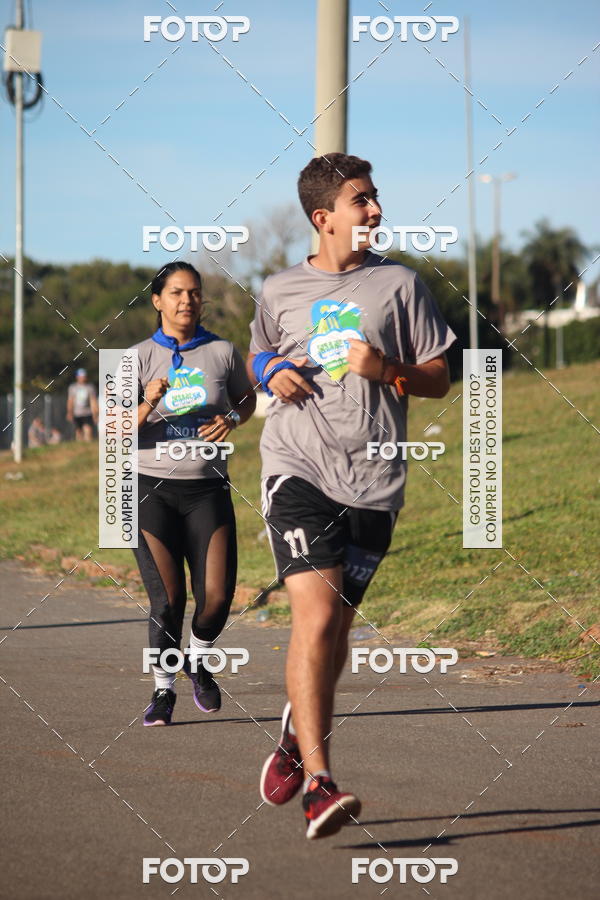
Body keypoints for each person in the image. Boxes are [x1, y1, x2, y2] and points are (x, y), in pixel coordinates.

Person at [247, 153, 456, 839]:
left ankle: (294, 731)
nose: (375, 211)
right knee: (313, 617)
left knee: (335, 627)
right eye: (361, 200)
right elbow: (258, 354)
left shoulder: (399, 285)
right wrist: (271, 368)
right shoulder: (279, 289)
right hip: (296, 470)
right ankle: (319, 784)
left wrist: (386, 368)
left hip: (374, 481)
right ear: (323, 217)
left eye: (374, 198)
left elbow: (438, 378)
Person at [132, 261, 255, 726]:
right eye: (178, 293)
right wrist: (148, 401)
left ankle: (198, 658)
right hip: (150, 490)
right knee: (168, 600)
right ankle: (163, 692)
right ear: (158, 301)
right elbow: (111, 430)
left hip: (207, 490)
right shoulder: (136, 357)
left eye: (195, 293)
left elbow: (247, 397)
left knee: (218, 596)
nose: (188, 301)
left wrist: (234, 419)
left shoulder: (222, 352)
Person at [66, 369, 98, 441]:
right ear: (77, 377)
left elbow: (93, 401)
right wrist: (69, 412)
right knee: (78, 431)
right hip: (77, 413)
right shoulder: (73, 388)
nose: (83, 378)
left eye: (84, 376)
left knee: (88, 429)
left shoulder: (90, 387)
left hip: (87, 412)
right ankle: (80, 447)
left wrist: (95, 414)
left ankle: (88, 446)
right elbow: (70, 401)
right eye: (81, 376)